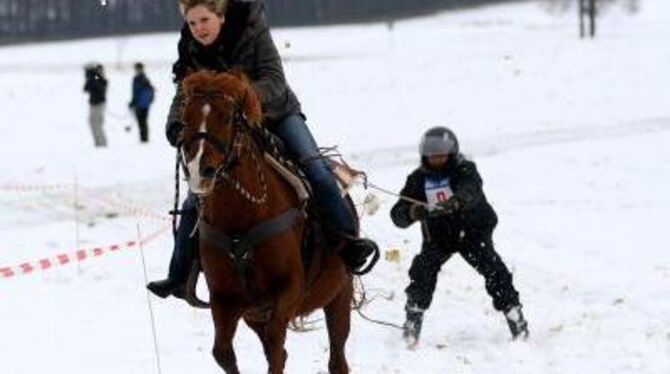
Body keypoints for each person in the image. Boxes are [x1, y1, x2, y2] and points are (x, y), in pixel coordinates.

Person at [147, 0, 378, 299]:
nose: (198, 29)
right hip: (228, 129)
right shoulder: (189, 47)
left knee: (315, 170)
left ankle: (350, 245)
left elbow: (275, 81)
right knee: (196, 195)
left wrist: (239, 100)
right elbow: (185, 94)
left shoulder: (253, 31)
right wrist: (177, 125)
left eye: (204, 20)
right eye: (192, 24)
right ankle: (179, 275)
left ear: (221, 16)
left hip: (278, 114)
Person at [390, 126, 528, 346]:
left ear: (452, 153)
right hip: (438, 238)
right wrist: (413, 212)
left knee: (494, 270)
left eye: (441, 155)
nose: (436, 160)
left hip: (472, 233)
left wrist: (454, 203)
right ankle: (412, 324)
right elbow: (397, 215)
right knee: (422, 271)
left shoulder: (466, 170)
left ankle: (516, 319)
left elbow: (470, 191)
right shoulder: (417, 179)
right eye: (431, 156)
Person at [128, 62, 155, 143]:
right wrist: (133, 102)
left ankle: (144, 140)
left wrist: (134, 101)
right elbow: (135, 92)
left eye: (137, 69)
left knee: (142, 122)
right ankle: (143, 139)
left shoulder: (143, 79)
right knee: (141, 122)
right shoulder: (138, 78)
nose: (136, 70)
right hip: (139, 104)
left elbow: (139, 92)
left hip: (142, 105)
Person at [83, 63, 108, 147]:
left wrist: (93, 76)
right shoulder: (93, 78)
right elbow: (86, 88)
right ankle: (97, 143)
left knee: (98, 124)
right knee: (92, 123)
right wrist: (89, 77)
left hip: (99, 104)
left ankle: (102, 143)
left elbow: (99, 87)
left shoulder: (100, 78)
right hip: (93, 104)